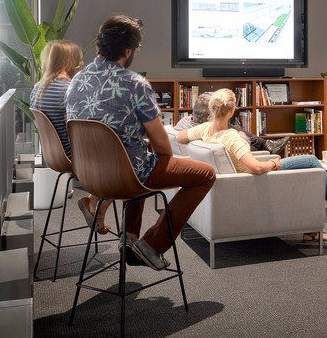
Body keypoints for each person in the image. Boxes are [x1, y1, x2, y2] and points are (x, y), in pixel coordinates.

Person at [67, 15, 216, 271]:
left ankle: (129, 239)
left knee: (139, 158)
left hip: (89, 176)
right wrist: (162, 157)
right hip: (126, 176)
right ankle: (152, 245)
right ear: (128, 51)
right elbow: (161, 143)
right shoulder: (135, 84)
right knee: (204, 174)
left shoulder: (76, 81)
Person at [179, 89, 327, 241]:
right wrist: (274, 163)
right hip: (257, 177)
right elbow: (256, 168)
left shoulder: (205, 129)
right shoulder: (231, 137)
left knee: (309, 166)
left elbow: (180, 137)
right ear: (231, 111)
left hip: (238, 178)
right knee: (312, 162)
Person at [31, 40, 113, 234]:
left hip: (54, 156)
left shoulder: (38, 88)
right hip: (73, 156)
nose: (82, 64)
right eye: (79, 59)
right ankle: (96, 209)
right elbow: (78, 128)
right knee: (123, 165)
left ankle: (93, 204)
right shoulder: (70, 89)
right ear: (69, 61)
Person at [174, 91, 289, 155]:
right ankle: (267, 145)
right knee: (237, 130)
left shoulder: (184, 121)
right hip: (240, 159)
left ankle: (267, 144)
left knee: (235, 128)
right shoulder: (216, 131)